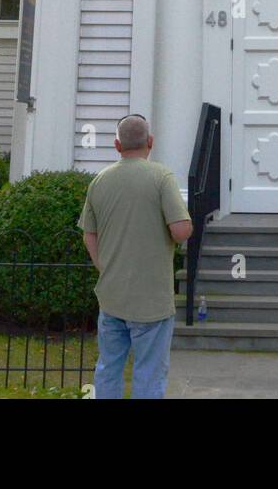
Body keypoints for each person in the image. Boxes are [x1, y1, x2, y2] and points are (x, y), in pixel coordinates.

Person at [78, 113, 192, 400]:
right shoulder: (161, 177)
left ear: (117, 145)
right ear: (150, 142)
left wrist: (102, 264)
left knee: (108, 367)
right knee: (149, 373)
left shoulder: (99, 181)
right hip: (152, 298)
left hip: (112, 294)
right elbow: (180, 231)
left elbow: (88, 233)